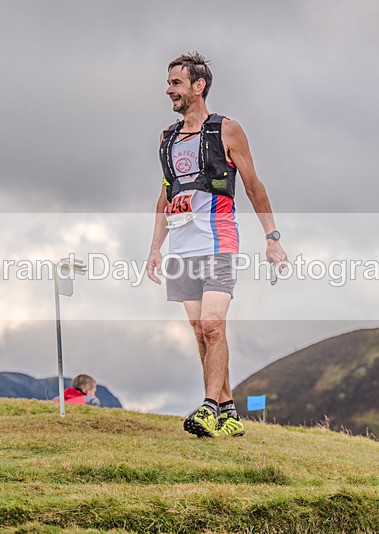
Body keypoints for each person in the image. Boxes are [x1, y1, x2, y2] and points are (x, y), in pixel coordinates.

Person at [146, 53, 288, 437]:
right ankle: (228, 411)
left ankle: (208, 407)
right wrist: (155, 248)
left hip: (218, 240)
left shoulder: (226, 130)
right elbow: (164, 195)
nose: (168, 89)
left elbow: (254, 186)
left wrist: (272, 238)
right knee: (199, 330)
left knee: (213, 324)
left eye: (176, 83)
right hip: (181, 247)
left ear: (198, 86)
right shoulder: (167, 139)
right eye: (169, 82)